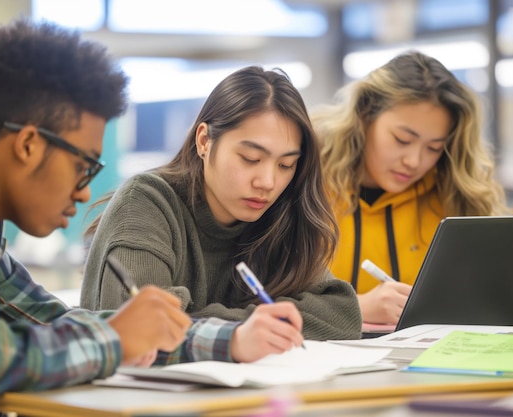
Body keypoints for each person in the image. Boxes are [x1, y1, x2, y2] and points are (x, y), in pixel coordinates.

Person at [0, 19, 301, 413]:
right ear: (29, 145)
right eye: (84, 166)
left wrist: (232, 341)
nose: (86, 190)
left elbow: (50, 320)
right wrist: (115, 341)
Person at [80, 66, 362, 341]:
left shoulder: (280, 213)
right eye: (251, 158)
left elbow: (341, 314)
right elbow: (143, 328)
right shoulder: (146, 203)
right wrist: (249, 329)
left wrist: (222, 323)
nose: (267, 181)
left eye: (286, 164)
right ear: (204, 141)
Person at [311, 51, 510, 325]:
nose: (414, 162)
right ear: (365, 114)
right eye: (402, 139)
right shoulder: (304, 182)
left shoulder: (455, 197)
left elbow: (482, 293)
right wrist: (354, 307)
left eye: (434, 148)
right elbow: (260, 298)